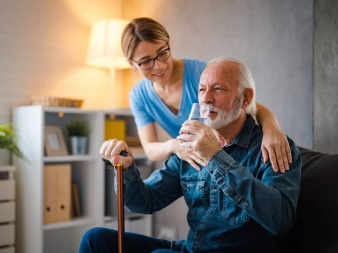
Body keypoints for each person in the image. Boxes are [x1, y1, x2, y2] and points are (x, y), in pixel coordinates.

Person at [79, 57, 302, 253]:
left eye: (219, 89)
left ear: (245, 99)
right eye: (202, 89)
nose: (206, 99)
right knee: (95, 240)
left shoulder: (274, 148)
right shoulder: (190, 145)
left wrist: (215, 157)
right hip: (191, 248)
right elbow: (144, 202)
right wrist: (126, 169)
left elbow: (280, 219)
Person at [123, 17, 292, 172]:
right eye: (146, 62)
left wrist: (272, 129)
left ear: (168, 44)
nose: (159, 66)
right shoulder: (139, 96)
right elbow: (150, 149)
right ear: (132, 64)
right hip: (197, 161)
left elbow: (250, 104)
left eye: (162, 53)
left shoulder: (201, 74)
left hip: (230, 155)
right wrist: (175, 146)